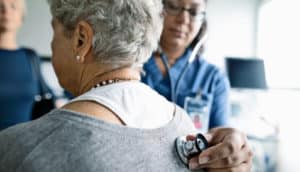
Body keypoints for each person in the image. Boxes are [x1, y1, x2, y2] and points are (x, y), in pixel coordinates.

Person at [0, 0, 252, 171]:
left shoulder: (17, 149)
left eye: (54, 32)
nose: (183, 20)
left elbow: (220, 141)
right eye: (174, 7)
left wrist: (230, 146)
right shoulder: (182, 121)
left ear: (81, 39)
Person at [142, 0, 230, 132]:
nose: (183, 19)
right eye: (173, 7)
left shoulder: (214, 79)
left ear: (202, 21)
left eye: (194, 12)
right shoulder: (131, 65)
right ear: (158, 9)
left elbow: (218, 139)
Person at [0, 0, 55, 130]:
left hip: (23, 146)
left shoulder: (30, 57)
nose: (6, 11)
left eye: (13, 7)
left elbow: (48, 98)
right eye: (0, 6)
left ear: (21, 17)